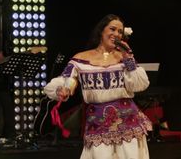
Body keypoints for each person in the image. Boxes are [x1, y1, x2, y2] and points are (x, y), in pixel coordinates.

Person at [43, 14, 152, 159]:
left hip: (128, 123)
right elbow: (67, 80)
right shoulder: (81, 58)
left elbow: (139, 84)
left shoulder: (123, 57)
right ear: (101, 31)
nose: (116, 34)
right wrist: (62, 89)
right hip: (97, 124)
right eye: (112, 29)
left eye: (120, 31)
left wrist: (128, 59)